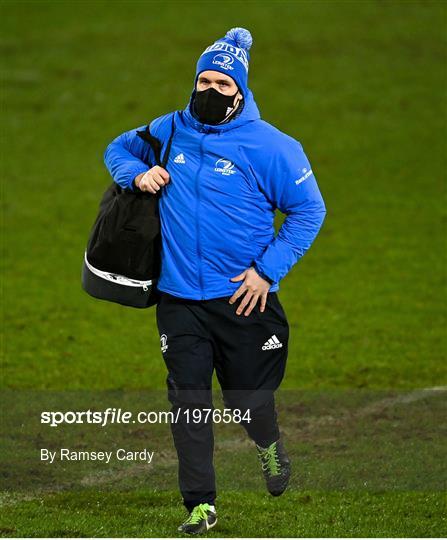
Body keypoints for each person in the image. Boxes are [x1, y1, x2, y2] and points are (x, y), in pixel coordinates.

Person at [104, 27, 326, 535]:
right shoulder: (171, 129)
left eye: (222, 85)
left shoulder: (272, 147)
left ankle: (268, 445)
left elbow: (308, 211)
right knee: (188, 400)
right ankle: (200, 506)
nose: (209, 91)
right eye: (203, 80)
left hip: (242, 299)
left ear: (240, 91)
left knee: (248, 399)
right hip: (179, 299)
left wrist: (267, 271)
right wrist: (135, 176)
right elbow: (118, 148)